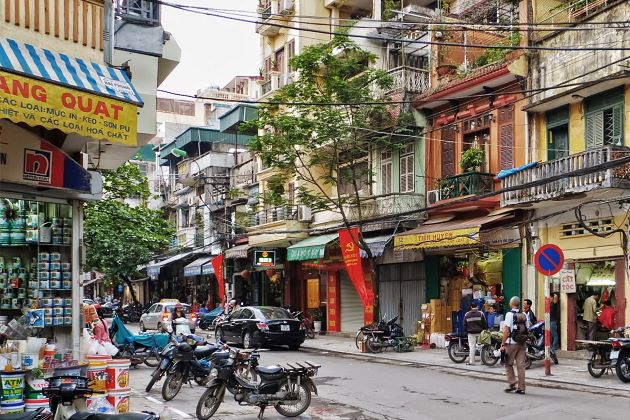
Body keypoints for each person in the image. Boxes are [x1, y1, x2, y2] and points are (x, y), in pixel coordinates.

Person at [501, 296, 527, 394]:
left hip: (511, 343)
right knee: (521, 366)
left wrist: (503, 343)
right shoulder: (524, 314)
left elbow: (506, 330)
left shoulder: (509, 314)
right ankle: (521, 388)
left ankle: (512, 383)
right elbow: (527, 327)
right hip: (522, 342)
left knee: (508, 363)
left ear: (511, 304)